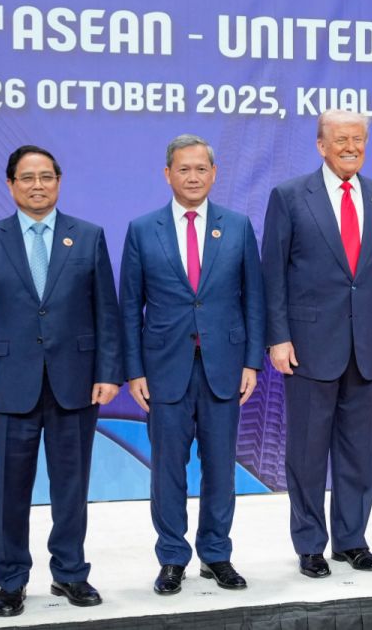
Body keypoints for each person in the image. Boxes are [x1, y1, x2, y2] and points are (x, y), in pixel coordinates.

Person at [0, 144, 122, 615]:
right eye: (27, 177)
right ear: (11, 184)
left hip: (75, 383)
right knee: (10, 490)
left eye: (46, 177)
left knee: (71, 487)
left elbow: (106, 311)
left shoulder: (87, 237)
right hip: (8, 386)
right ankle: (11, 579)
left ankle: (70, 573)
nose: (37, 185)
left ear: (59, 182)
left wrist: (108, 372)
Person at [262, 109, 372, 577]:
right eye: (341, 139)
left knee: (360, 451)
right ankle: (310, 544)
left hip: (368, 345)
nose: (351, 147)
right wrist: (278, 337)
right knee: (307, 452)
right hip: (308, 346)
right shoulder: (289, 196)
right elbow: (273, 274)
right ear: (321, 146)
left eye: (358, 139)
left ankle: (352, 540)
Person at [120, 135, 265, 595]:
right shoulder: (143, 229)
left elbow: (254, 299)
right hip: (164, 369)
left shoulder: (237, 226)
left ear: (214, 174)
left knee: (220, 468)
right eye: (184, 169)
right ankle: (172, 558)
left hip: (225, 367)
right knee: (168, 469)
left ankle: (216, 554)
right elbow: (130, 307)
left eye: (202, 168)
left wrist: (252, 362)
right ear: (168, 174)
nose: (193, 177)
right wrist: (134, 370)